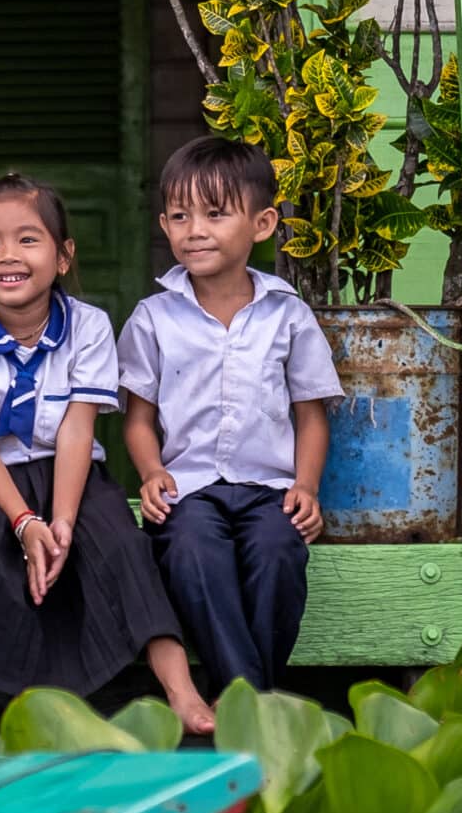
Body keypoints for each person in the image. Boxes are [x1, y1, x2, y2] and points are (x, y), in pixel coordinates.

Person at [0, 174, 211, 735]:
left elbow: (79, 432)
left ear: (63, 256)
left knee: (122, 542)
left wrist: (61, 521)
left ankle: (181, 690)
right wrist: (24, 521)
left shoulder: (90, 326)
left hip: (70, 474)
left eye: (28, 239)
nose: (8, 255)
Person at [119, 137, 342, 695]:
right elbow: (138, 419)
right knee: (194, 554)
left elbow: (311, 416)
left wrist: (307, 488)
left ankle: (240, 702)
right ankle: (258, 704)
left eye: (215, 215)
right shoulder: (152, 319)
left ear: (262, 224)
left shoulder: (288, 315)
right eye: (179, 215)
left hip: (270, 488)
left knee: (278, 552)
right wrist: (150, 473)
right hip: (189, 491)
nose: (194, 229)